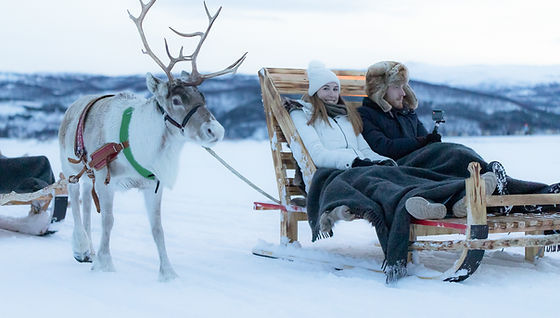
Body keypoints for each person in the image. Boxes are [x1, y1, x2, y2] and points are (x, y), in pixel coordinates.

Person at [285, 61, 481, 283]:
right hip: (335, 172)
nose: (331, 94)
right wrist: (355, 162)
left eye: (335, 88)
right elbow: (318, 155)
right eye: (326, 89)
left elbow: (364, 148)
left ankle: (428, 201)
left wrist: (385, 162)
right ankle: (412, 208)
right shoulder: (302, 114)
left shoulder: (346, 115)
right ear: (314, 91)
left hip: (360, 166)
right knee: (378, 184)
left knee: (394, 176)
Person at [358, 61, 560, 215]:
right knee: (457, 154)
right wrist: (424, 142)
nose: (403, 93)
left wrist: (427, 141)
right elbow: (383, 147)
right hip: (402, 166)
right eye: (397, 87)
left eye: (404, 87)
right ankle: (514, 189)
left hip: (426, 162)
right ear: (380, 90)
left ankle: (539, 193)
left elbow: (425, 139)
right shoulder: (367, 115)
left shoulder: (406, 112)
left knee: (464, 161)